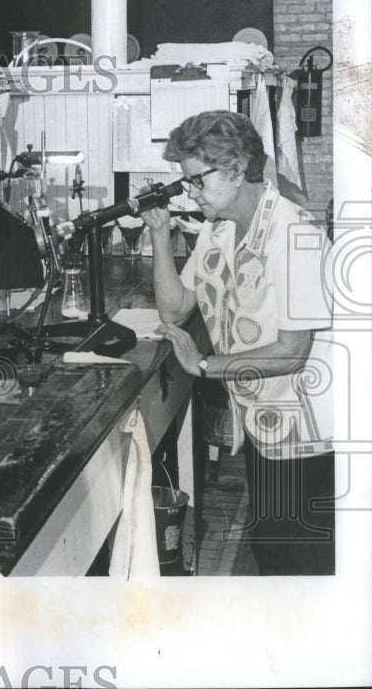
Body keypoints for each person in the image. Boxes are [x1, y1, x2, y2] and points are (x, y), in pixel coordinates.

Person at [142, 109, 335, 576]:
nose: (190, 191)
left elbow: (292, 352)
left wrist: (204, 365)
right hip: (264, 422)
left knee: (298, 557)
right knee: (271, 544)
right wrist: (161, 238)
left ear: (232, 169)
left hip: (309, 431)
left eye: (196, 180)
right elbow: (174, 307)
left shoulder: (294, 232)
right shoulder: (219, 227)